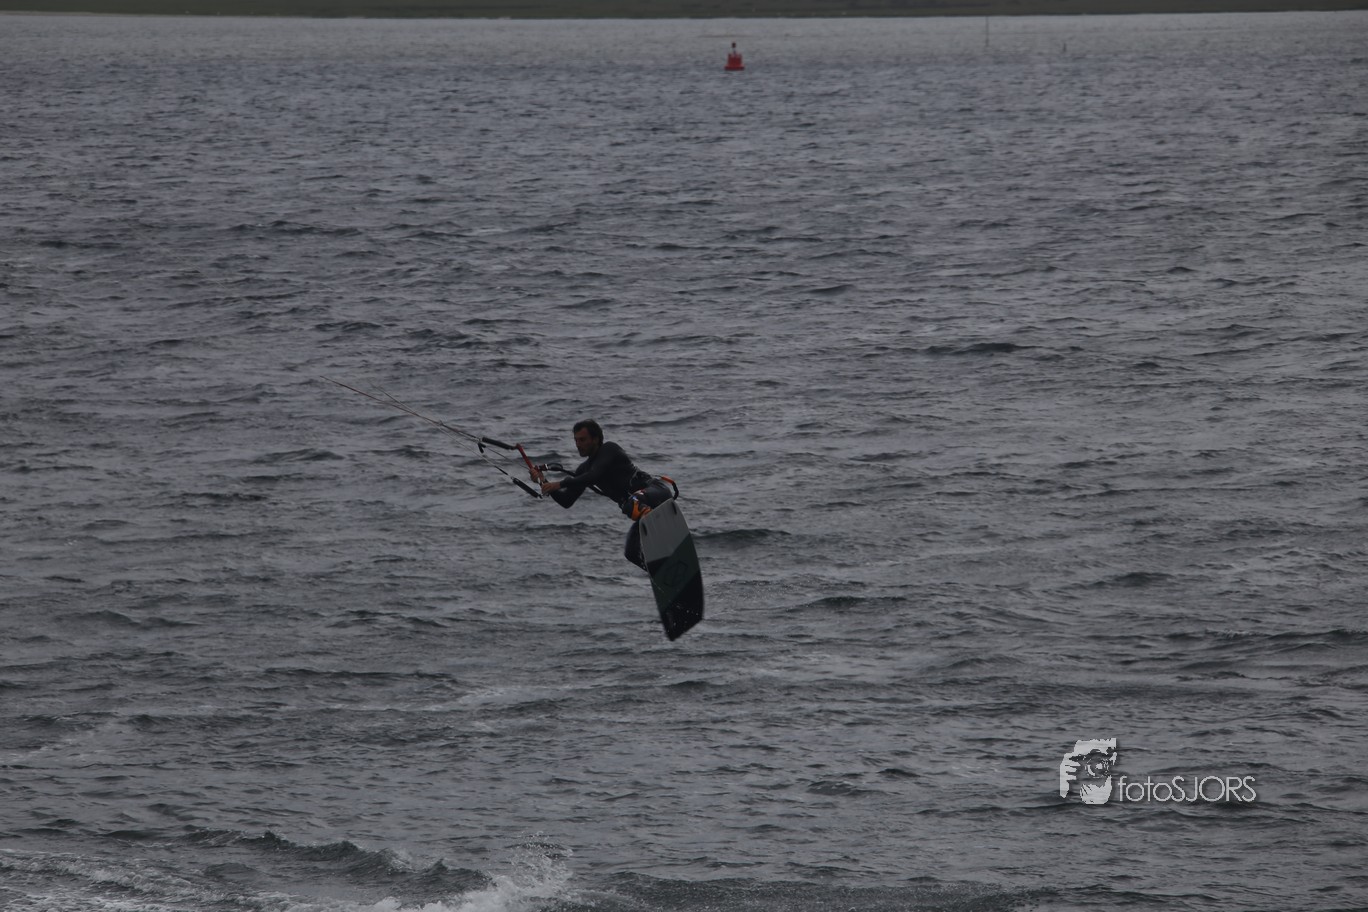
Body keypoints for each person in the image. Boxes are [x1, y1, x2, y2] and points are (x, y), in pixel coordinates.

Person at [539, 420, 675, 570]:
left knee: (631, 503)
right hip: (639, 508)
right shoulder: (583, 469)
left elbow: (594, 475)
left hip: (656, 492)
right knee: (631, 553)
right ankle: (663, 572)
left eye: (582, 440)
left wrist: (560, 483)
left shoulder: (609, 449)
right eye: (576, 440)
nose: (578, 444)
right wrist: (544, 482)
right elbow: (567, 500)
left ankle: (660, 530)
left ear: (595, 439)